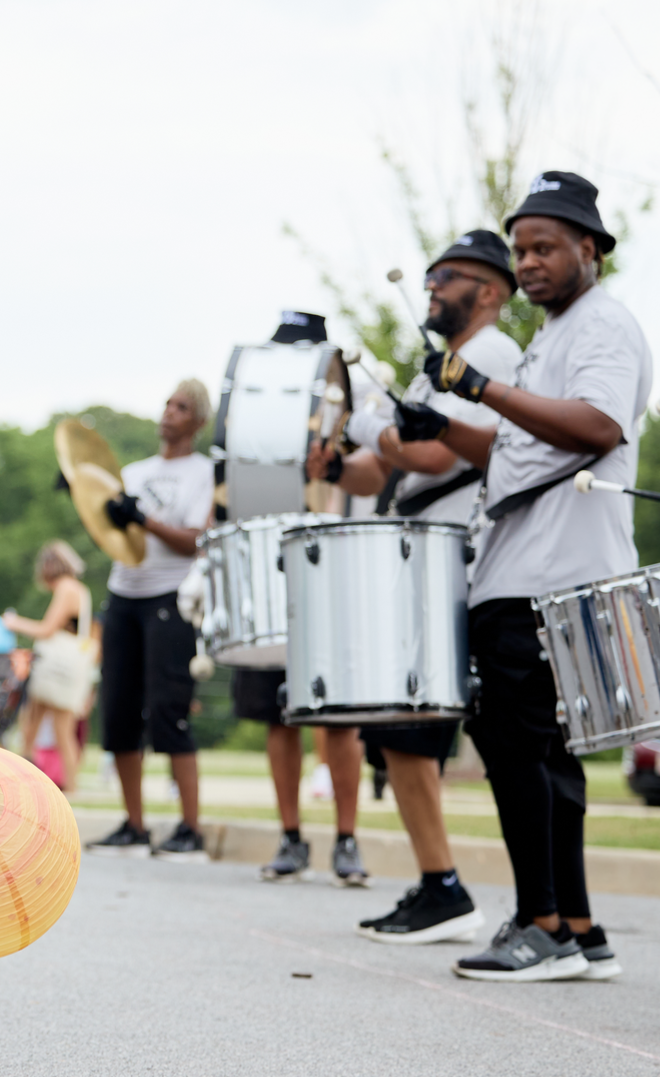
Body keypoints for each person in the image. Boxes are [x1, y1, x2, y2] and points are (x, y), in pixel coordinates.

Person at [398, 171, 650, 982]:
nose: (531, 263)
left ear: (591, 248)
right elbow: (519, 451)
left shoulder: (601, 325)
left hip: (549, 570)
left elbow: (598, 427)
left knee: (518, 750)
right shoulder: (555, 335)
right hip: (526, 564)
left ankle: (539, 924)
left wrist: (484, 388)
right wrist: (444, 423)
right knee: (547, 756)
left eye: (546, 247)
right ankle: (578, 925)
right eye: (522, 248)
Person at [308, 230, 523, 942]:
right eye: (429, 276)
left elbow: (431, 454)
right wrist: (339, 463)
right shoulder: (445, 366)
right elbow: (386, 471)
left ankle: (456, 890)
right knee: (401, 730)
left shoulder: (489, 357)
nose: (431, 286)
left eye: (448, 277)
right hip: (421, 548)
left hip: (451, 551)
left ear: (489, 291)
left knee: (413, 725)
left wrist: (369, 421)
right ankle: (440, 884)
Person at [227, 314, 369, 886]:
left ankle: (346, 838)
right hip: (270, 564)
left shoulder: (349, 405)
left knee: (337, 718)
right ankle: (291, 836)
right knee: (275, 714)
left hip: (335, 563)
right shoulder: (253, 411)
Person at [83, 380, 214, 860]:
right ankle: (134, 825)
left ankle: (189, 828)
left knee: (168, 710)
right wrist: (86, 494)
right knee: (117, 710)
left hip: (171, 595)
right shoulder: (135, 472)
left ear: (197, 421)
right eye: (167, 404)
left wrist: (145, 522)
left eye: (181, 408)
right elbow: (111, 529)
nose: (169, 413)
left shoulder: (204, 473)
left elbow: (197, 540)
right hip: (124, 595)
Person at [4, 541, 94, 795]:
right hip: (71, 668)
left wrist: (14, 622)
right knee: (62, 731)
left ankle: (23, 783)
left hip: (55, 670)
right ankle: (70, 787)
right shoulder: (80, 589)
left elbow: (47, 629)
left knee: (30, 726)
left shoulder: (66, 588)